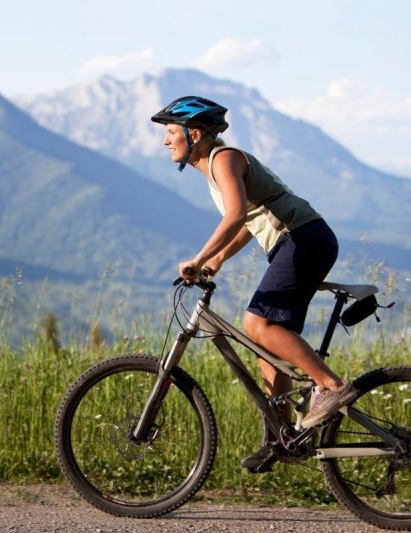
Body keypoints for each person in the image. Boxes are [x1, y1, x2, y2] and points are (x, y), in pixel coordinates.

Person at [151, 96, 357, 471]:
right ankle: (281, 438)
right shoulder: (215, 169)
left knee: (255, 324)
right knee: (267, 348)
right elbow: (249, 220)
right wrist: (216, 260)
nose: (166, 141)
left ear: (193, 133)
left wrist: (198, 258)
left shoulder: (223, 159)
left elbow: (234, 215)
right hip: (297, 242)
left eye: (170, 132)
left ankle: (331, 387)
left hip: (303, 238)